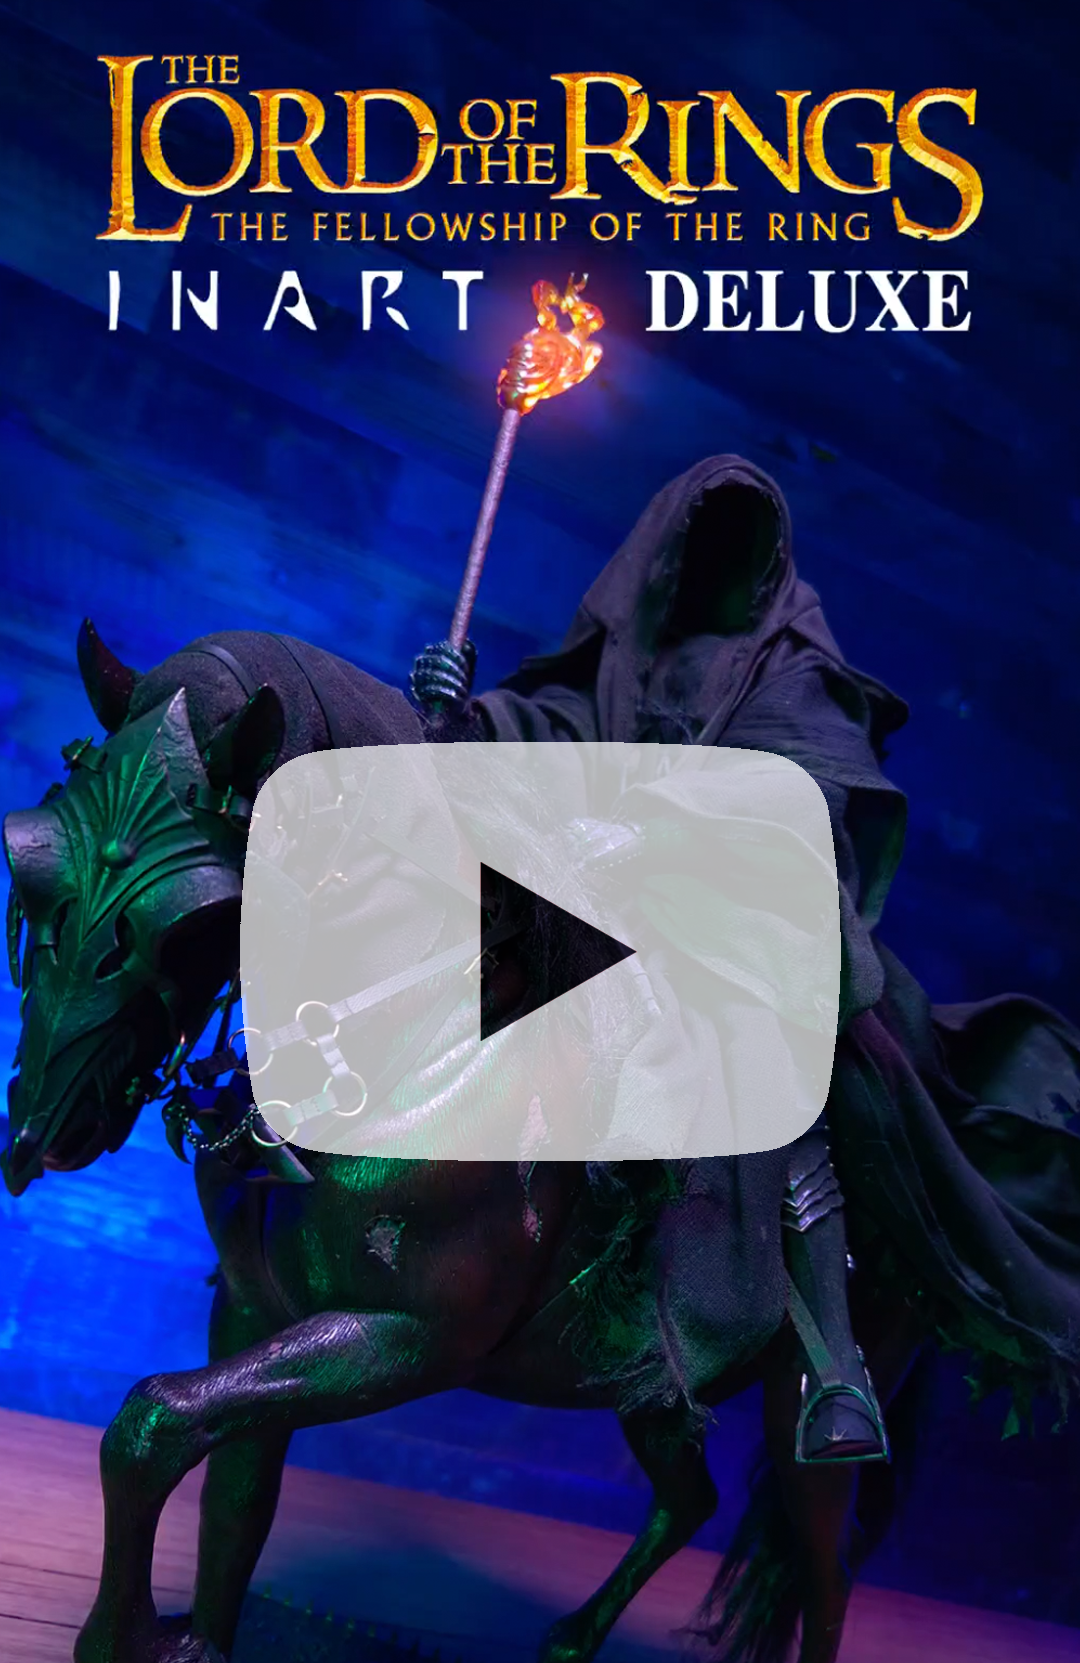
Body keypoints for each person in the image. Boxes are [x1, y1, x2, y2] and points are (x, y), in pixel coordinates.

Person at [411, 456, 1080, 1461]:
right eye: (699, 538)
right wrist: (462, 716)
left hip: (740, 914)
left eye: (737, 543)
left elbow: (800, 801)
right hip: (604, 892)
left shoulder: (793, 672)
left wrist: (666, 828)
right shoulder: (625, 655)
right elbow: (551, 732)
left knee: (766, 1052)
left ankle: (836, 1369)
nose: (715, 560)